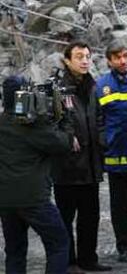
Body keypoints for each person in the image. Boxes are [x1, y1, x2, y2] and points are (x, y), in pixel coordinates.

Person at [0, 75, 72, 274]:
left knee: (14, 251)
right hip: (34, 200)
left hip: (5, 200)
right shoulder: (33, 126)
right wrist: (65, 117)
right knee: (59, 244)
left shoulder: (3, 122)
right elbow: (63, 144)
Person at [53, 41, 112, 274]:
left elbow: (99, 119)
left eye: (87, 56)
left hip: (90, 164)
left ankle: (88, 259)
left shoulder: (93, 87)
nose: (85, 60)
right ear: (67, 60)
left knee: (90, 216)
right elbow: (50, 123)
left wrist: (103, 140)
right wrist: (67, 138)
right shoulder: (57, 89)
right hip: (66, 167)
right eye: (79, 56)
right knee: (65, 218)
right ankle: (68, 261)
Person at [96, 40, 127, 263]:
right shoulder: (102, 85)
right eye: (117, 57)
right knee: (119, 205)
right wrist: (105, 139)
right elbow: (98, 118)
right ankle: (125, 247)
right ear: (109, 61)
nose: (123, 61)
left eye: (126, 55)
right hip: (116, 151)